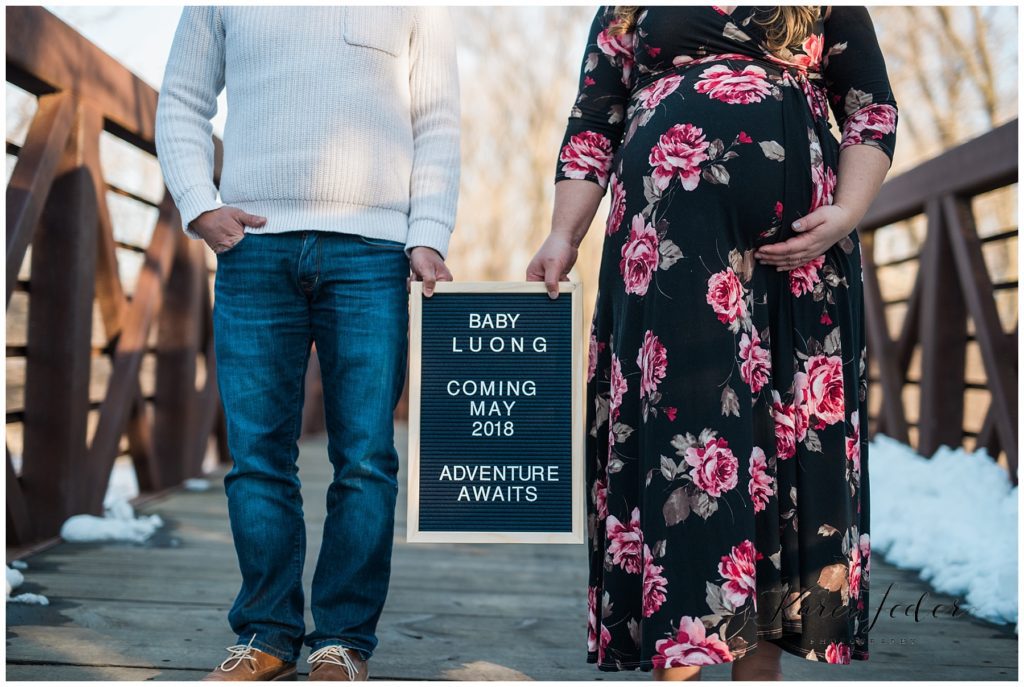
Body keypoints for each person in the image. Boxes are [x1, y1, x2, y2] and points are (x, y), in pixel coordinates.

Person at [527, 5, 896, 680]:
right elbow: (593, 123)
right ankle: (680, 662)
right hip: (665, 248)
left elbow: (870, 107)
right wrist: (562, 234)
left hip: (800, 259)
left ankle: (758, 670)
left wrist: (847, 210)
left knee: (778, 441)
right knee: (682, 438)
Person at [155, 6, 460, 681]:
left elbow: (436, 119)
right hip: (254, 248)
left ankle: (342, 640)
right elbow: (181, 99)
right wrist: (198, 202)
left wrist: (429, 231)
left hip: (374, 253)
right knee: (257, 455)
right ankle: (265, 632)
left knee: (366, 458)